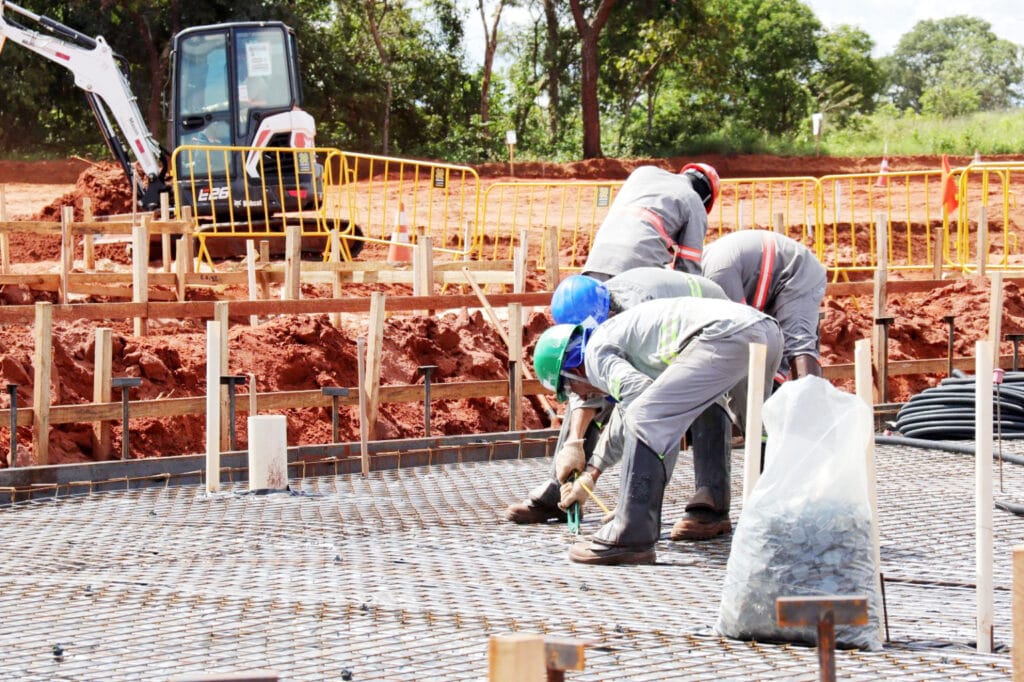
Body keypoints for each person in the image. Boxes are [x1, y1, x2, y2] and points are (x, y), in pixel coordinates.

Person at [534, 296, 783, 565]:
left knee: (648, 415)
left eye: (570, 390)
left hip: (725, 335)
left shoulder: (594, 355)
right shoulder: (621, 340)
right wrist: (592, 473)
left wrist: (630, 502)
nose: (581, 397)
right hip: (764, 330)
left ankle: (632, 533)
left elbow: (644, 409)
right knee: (760, 427)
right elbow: (636, 409)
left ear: (573, 371)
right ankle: (780, 522)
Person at [503, 268, 729, 530]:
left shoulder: (639, 315)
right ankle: (561, 489)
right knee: (584, 383)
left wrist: (610, 486)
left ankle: (711, 501)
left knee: (696, 394)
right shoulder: (589, 307)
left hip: (711, 327)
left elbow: (653, 407)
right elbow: (583, 381)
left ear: (603, 316)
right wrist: (574, 442)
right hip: (662, 328)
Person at [700, 230, 828, 382]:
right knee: (770, 349)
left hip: (797, 271)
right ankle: (775, 397)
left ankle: (812, 399)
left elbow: (740, 328)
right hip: (770, 274)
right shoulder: (706, 270)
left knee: (797, 341)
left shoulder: (717, 274)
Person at [581, 163, 720, 280]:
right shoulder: (693, 201)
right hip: (636, 276)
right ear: (706, 199)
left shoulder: (643, 173)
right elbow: (689, 272)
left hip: (595, 263)